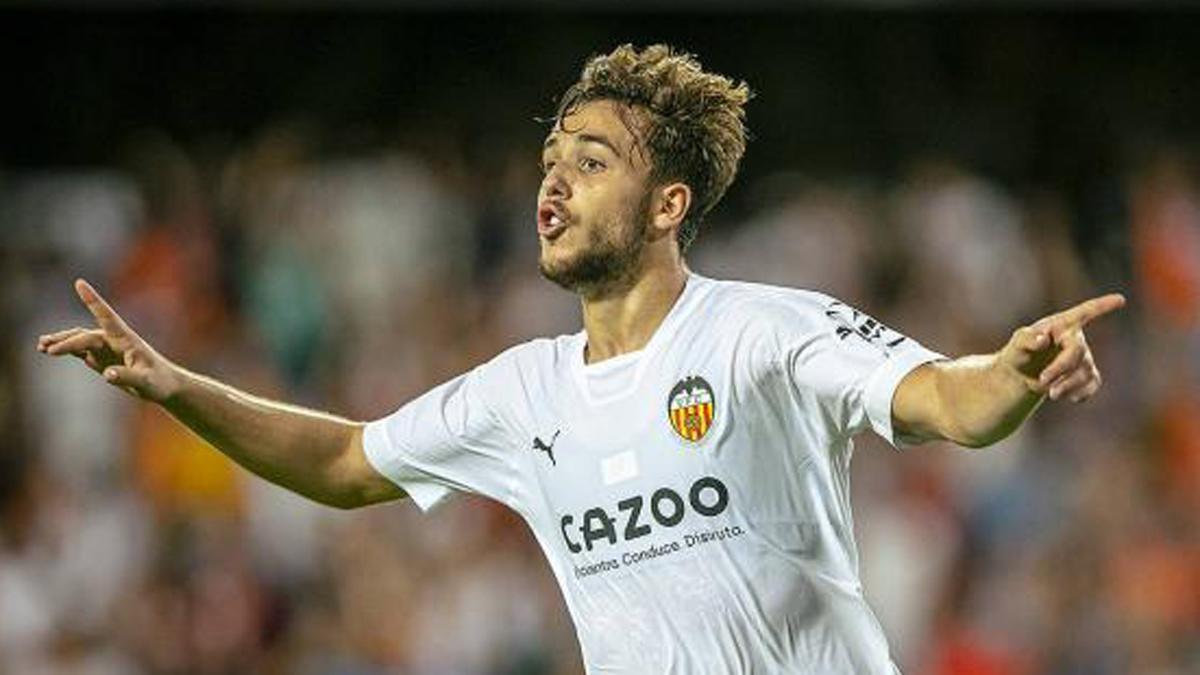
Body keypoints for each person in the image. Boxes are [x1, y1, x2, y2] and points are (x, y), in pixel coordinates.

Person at [37, 44, 1123, 674]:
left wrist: (1015, 374)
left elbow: (944, 400)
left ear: (667, 204)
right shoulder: (523, 392)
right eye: (551, 160)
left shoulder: (760, 330)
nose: (551, 185)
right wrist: (181, 390)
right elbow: (347, 462)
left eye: (590, 162)